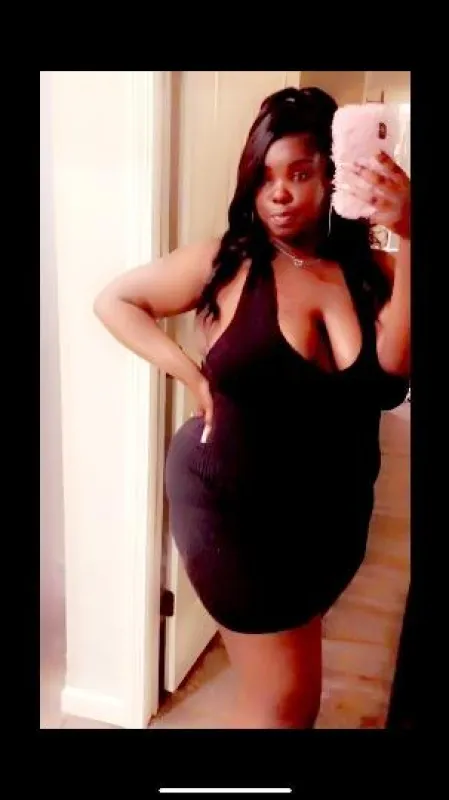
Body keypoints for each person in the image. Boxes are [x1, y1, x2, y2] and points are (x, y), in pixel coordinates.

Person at [94, 87, 410, 729]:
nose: (279, 194)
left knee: (283, 682)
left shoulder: (372, 272)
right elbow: (116, 301)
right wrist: (188, 372)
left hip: (327, 518)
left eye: (300, 173)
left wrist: (412, 232)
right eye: (265, 177)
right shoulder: (228, 262)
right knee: (283, 706)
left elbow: (394, 369)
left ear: (334, 174)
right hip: (234, 513)